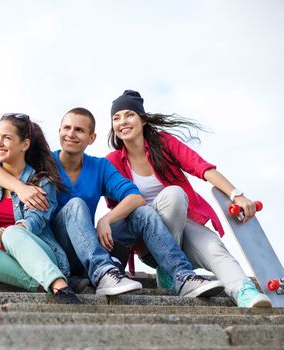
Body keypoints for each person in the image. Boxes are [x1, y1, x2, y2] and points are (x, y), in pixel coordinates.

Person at [0, 108, 224, 298]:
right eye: (66, 128)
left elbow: (135, 196)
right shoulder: (44, 161)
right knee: (75, 204)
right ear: (59, 131)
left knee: (143, 213)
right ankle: (103, 274)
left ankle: (183, 276)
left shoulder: (99, 166)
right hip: (58, 245)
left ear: (91, 137)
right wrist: (19, 186)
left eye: (79, 130)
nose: (71, 134)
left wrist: (106, 219)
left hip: (90, 242)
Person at [106, 89, 271, 308]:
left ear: (143, 119)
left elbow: (201, 167)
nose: (122, 122)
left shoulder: (164, 143)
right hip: (147, 243)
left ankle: (243, 290)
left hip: (182, 227)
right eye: (116, 118)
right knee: (173, 195)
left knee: (213, 247)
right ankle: (167, 266)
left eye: (129, 115)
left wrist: (236, 195)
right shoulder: (113, 161)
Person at [0, 113, 82, 304]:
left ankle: (58, 282)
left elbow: (34, 222)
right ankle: (44, 284)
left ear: (25, 145)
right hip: (4, 258)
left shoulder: (42, 181)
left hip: (41, 252)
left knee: (13, 233)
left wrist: (2, 232)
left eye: (7, 138)